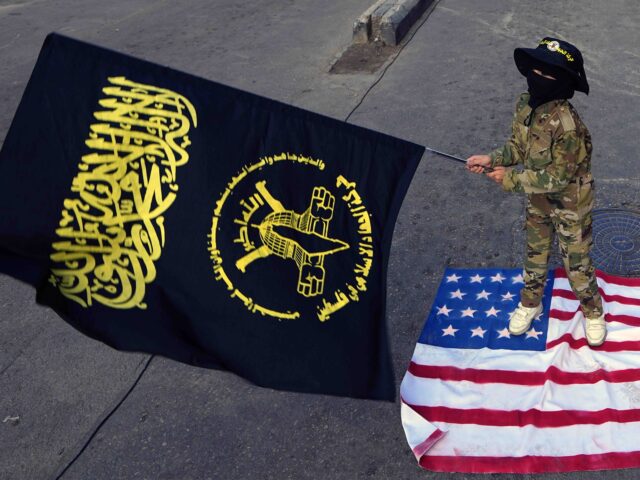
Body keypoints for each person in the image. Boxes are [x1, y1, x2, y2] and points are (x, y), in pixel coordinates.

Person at [466, 37, 607, 347]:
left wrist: (509, 180)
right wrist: (494, 158)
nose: (539, 79)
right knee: (535, 253)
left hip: (571, 202)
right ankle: (531, 302)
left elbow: (558, 178)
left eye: (549, 75)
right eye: (537, 71)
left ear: (564, 83)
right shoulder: (525, 104)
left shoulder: (567, 126)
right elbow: (519, 146)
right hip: (538, 198)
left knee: (577, 261)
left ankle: (592, 311)